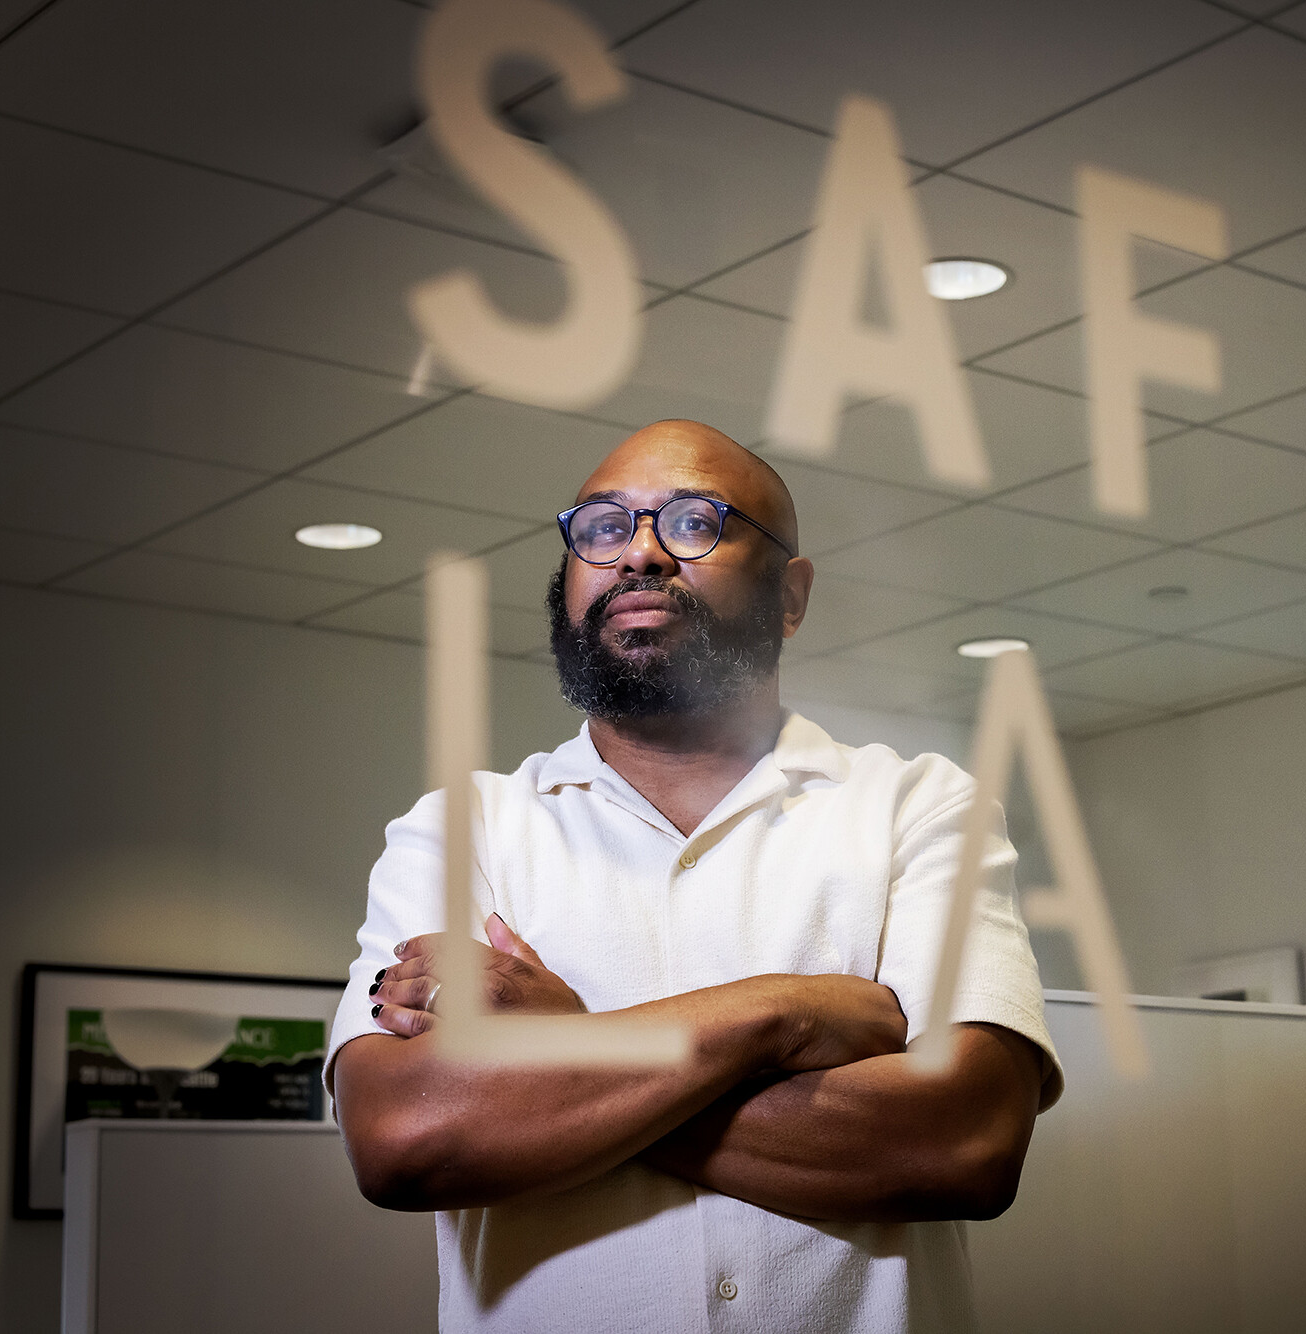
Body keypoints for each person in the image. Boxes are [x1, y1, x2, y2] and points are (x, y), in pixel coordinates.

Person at [327, 419, 1060, 1333]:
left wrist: (568, 1044)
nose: (639, 554)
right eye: (602, 527)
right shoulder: (460, 833)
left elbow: (964, 1144)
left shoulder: (919, 808)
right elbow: (407, 1141)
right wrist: (780, 1012)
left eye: (693, 523)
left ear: (790, 594)